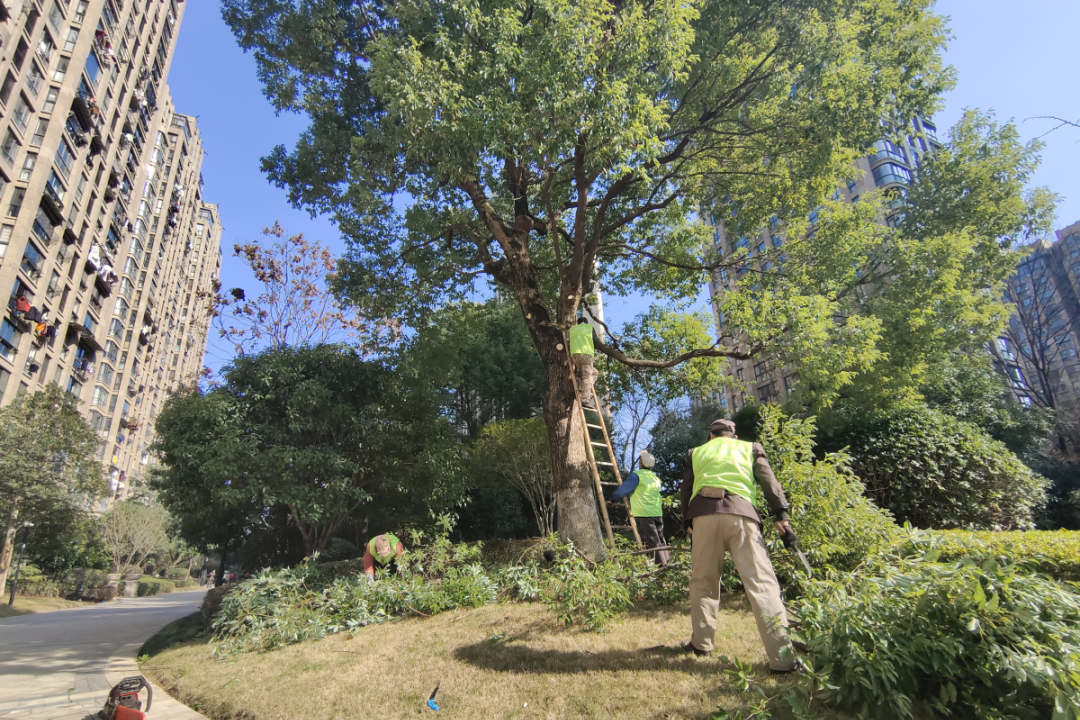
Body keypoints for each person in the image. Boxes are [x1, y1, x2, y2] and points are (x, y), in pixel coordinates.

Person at [679, 418, 798, 673]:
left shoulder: (696, 453)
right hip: (741, 515)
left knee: (703, 582)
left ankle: (701, 644)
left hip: (703, 516)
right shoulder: (749, 448)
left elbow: (686, 489)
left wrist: (687, 522)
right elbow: (770, 483)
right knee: (762, 584)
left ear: (710, 436)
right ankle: (783, 659)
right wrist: (782, 516)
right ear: (733, 436)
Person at [611, 450, 669, 565]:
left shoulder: (637, 476)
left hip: (645, 512)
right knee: (661, 539)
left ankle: (662, 567)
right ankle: (667, 563)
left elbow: (623, 490)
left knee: (653, 540)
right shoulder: (655, 478)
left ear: (641, 463)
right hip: (657, 512)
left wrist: (612, 499)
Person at [568, 317, 597, 408]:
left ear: (578, 322)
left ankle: (580, 390)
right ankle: (584, 398)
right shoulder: (589, 328)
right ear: (586, 323)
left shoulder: (572, 329)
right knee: (587, 377)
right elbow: (596, 341)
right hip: (586, 354)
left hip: (575, 355)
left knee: (594, 372)